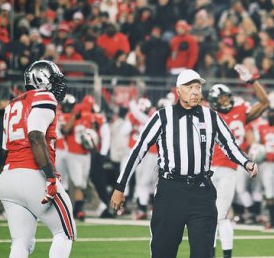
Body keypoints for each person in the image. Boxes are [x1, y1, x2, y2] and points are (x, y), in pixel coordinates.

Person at [110, 69, 258, 258]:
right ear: (178, 91)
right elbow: (138, 150)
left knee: (204, 253)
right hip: (170, 190)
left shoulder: (211, 117)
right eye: (190, 87)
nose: (196, 91)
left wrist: (247, 162)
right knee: (163, 251)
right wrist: (120, 186)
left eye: (198, 87)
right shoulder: (162, 116)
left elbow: (230, 145)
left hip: (202, 191)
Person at [0, 60, 76, 257]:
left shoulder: (12, 105)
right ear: (42, 79)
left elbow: (5, 147)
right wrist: (50, 177)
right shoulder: (44, 96)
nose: (58, 85)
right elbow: (35, 135)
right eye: (55, 80)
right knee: (65, 233)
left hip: (8, 176)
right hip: (34, 173)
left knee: (21, 243)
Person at [207, 63, 269, 258]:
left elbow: (265, 102)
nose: (225, 102)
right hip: (207, 169)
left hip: (227, 169)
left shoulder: (239, 112)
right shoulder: (209, 115)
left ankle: (224, 255)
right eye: (221, 99)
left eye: (227, 98)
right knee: (208, 217)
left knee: (220, 216)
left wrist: (252, 81)